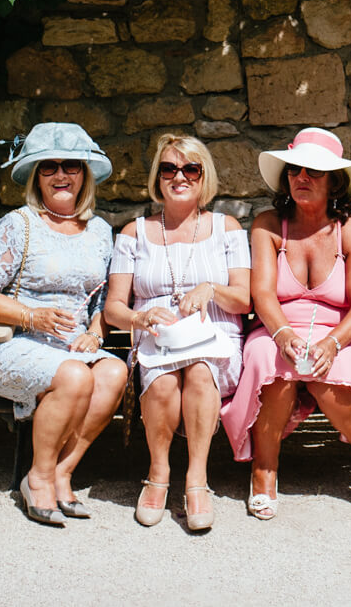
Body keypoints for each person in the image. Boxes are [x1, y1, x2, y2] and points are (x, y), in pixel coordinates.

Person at [219, 127, 351, 519]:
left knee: (334, 370)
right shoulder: (268, 226)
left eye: (314, 172)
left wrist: (333, 343)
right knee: (265, 360)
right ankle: (264, 469)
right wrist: (283, 334)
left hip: (341, 332)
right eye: (294, 170)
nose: (301, 178)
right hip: (277, 328)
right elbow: (264, 296)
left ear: (335, 183)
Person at [0, 122, 131, 527]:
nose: (60, 175)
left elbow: (103, 298)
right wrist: (30, 315)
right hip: (9, 341)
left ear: (84, 174)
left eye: (70, 165)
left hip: (69, 344)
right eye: (48, 167)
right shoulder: (19, 224)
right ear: (36, 177)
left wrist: (95, 331)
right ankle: (36, 479)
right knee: (75, 377)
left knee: (113, 372)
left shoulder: (100, 231)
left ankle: (62, 472)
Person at [103, 134, 250, 532]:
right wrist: (141, 317)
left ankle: (197, 479)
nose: (179, 177)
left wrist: (212, 290)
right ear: (157, 177)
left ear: (204, 176)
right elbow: (114, 307)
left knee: (200, 372)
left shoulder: (228, 228)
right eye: (169, 168)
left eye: (190, 169)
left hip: (214, 334)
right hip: (157, 336)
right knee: (165, 382)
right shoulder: (135, 233)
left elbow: (244, 301)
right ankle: (158, 474)